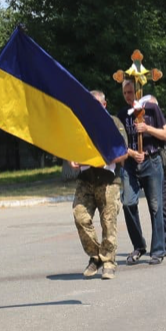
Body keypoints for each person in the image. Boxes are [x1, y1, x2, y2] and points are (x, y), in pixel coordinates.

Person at [70, 91, 129, 280]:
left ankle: (109, 262)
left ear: (104, 105)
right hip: (86, 179)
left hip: (108, 180)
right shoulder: (81, 124)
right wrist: (72, 158)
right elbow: (71, 147)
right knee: (80, 217)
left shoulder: (113, 123)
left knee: (108, 221)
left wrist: (105, 158)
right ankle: (96, 257)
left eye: (96, 104)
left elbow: (123, 153)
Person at [117, 79, 166, 265]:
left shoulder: (152, 109)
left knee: (155, 206)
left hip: (152, 161)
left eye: (130, 92)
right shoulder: (123, 115)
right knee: (127, 203)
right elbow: (119, 143)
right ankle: (139, 246)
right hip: (131, 164)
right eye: (125, 93)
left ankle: (158, 250)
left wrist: (146, 128)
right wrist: (131, 153)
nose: (128, 96)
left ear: (138, 92)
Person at [147, 96, 166, 254]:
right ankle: (165, 240)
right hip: (150, 170)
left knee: (164, 207)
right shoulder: (141, 123)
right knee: (155, 207)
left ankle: (164, 243)